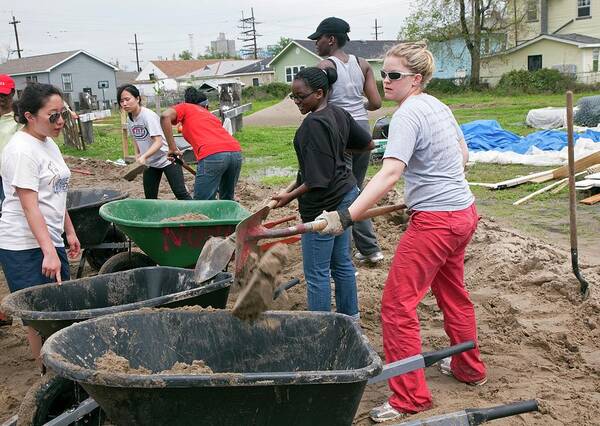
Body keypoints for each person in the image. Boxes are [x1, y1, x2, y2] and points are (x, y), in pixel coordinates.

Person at [315, 42, 487, 422]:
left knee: (396, 307)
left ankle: (409, 398)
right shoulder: (437, 105)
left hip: (438, 222)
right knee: (453, 293)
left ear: (416, 79)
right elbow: (462, 156)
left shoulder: (408, 114)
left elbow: (390, 172)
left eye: (394, 75)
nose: (385, 81)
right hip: (463, 212)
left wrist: (346, 216)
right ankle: (468, 368)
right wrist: (429, 183)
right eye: (383, 72)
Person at [271, 67, 373, 320]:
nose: (296, 102)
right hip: (347, 195)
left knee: (317, 272)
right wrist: (339, 153)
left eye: (300, 97)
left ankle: (321, 325)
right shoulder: (338, 113)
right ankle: (351, 318)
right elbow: (367, 143)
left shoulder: (313, 125)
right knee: (342, 264)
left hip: (323, 208)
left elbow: (317, 180)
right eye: (293, 96)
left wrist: (289, 197)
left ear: (319, 93)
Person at [0, 83, 81, 369]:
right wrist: (48, 251)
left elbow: (58, 192)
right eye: (53, 116)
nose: (60, 122)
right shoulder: (21, 150)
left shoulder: (47, 143)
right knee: (39, 314)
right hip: (24, 245)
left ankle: (57, 366)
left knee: (59, 305)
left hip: (49, 238)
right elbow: (29, 206)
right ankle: (45, 374)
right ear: (30, 115)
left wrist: (68, 230)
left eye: (63, 114)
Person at [309, 17, 384, 264]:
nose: (315, 44)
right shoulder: (362, 64)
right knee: (356, 191)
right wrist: (357, 106)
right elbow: (375, 103)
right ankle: (371, 250)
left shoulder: (324, 66)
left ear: (331, 39)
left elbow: (318, 101)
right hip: (362, 129)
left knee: (342, 193)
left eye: (318, 39)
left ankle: (344, 254)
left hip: (339, 133)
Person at [160, 87, 242, 200]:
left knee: (202, 204)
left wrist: (172, 148)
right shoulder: (210, 116)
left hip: (214, 155)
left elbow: (165, 116)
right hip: (235, 153)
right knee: (227, 201)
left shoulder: (186, 107)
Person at [117, 84, 191, 200]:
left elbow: (158, 142)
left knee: (180, 193)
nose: (124, 104)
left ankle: (197, 215)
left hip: (168, 158)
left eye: (127, 99)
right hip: (151, 163)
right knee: (150, 197)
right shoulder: (130, 118)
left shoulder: (147, 116)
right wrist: (138, 154)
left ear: (137, 98)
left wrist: (144, 156)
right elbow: (135, 138)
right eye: (121, 101)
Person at [0, 74, 20, 207]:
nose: (0, 98)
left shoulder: (18, 118)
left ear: (12, 93)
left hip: (11, 174)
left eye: (4, 94)